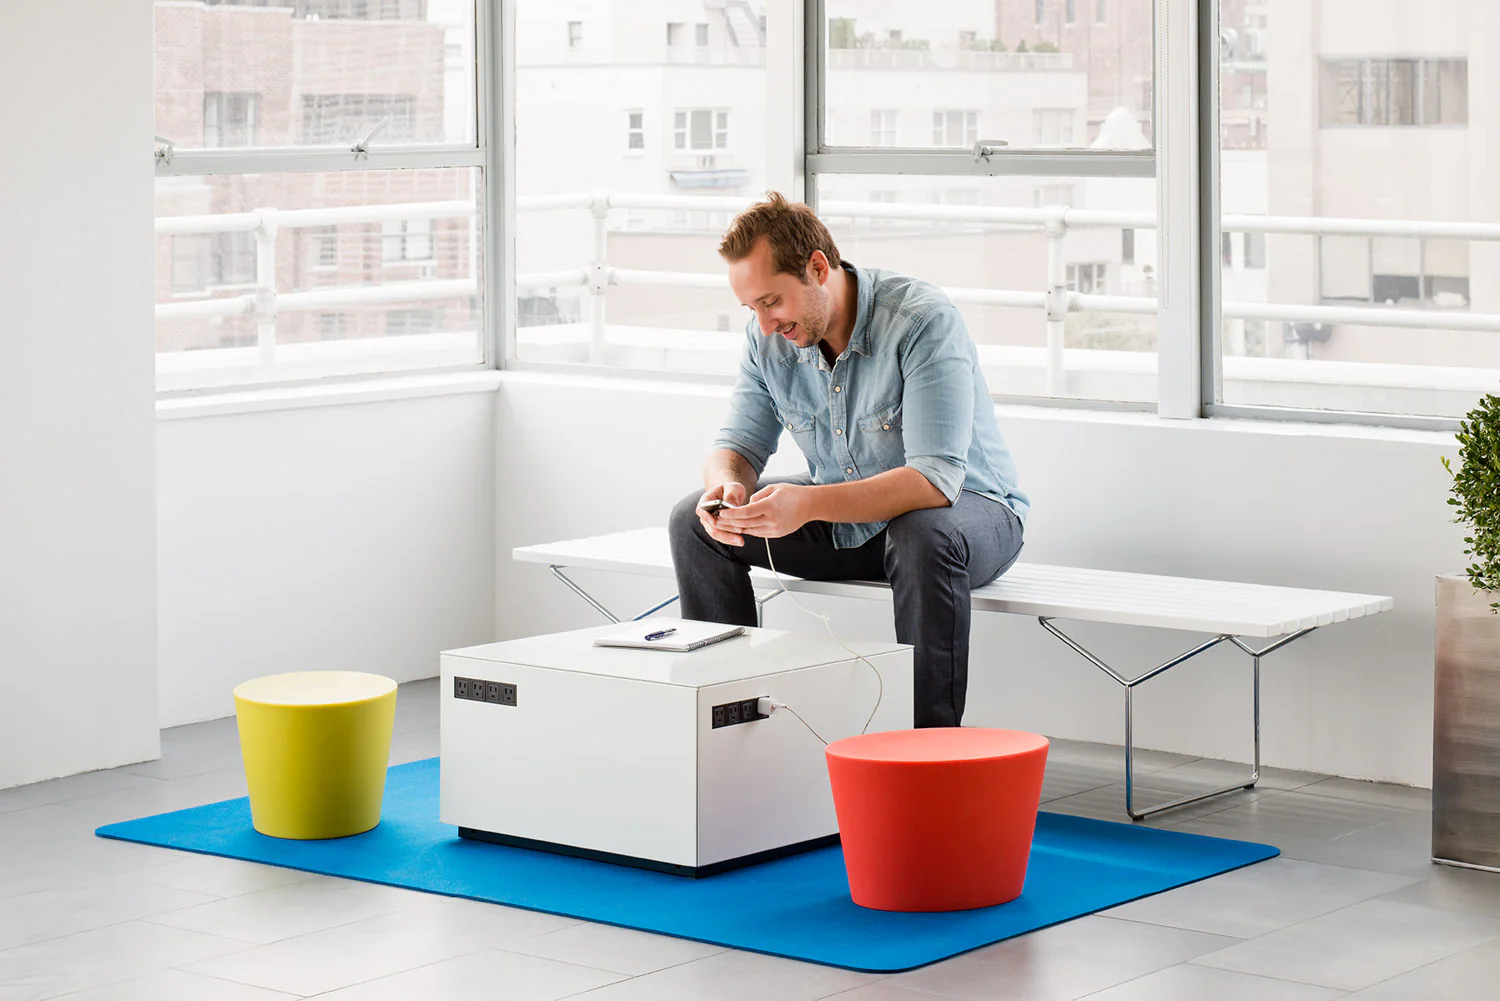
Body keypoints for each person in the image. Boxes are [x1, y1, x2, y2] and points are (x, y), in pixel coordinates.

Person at [668, 192, 1029, 728]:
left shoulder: (922, 320)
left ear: (818, 267)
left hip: (969, 517)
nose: (765, 324)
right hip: (854, 524)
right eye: (752, 309)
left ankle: (927, 748)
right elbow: (737, 445)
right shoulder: (768, 339)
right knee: (693, 521)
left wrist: (807, 505)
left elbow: (934, 481)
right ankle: (731, 725)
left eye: (772, 301)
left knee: (921, 534)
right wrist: (727, 487)